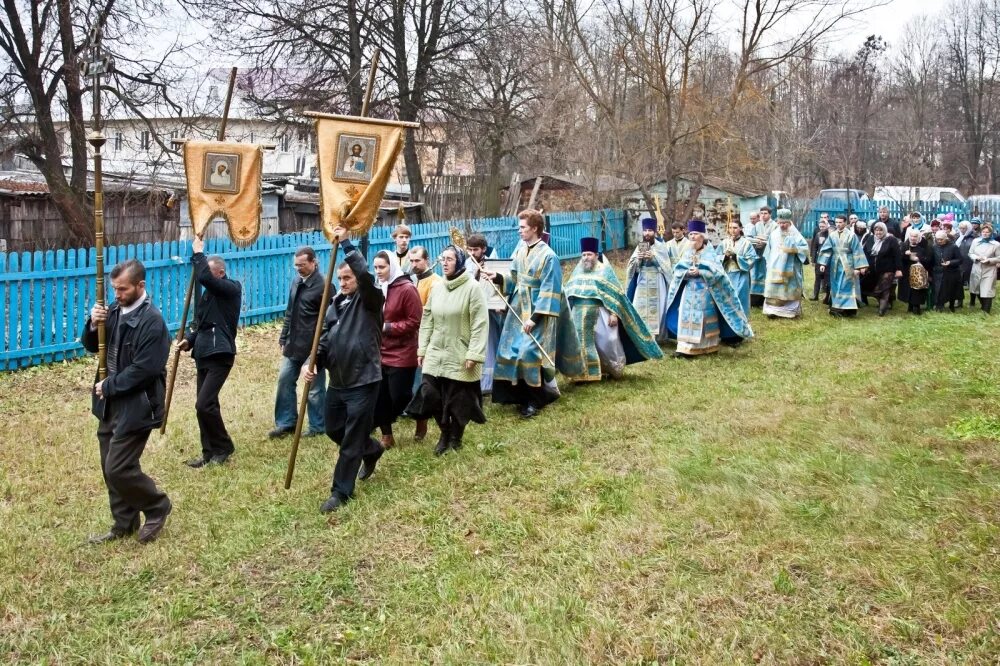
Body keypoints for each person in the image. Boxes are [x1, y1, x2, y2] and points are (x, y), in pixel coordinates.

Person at [82, 259, 172, 544]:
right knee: (108, 466)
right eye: (114, 289)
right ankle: (124, 523)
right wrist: (93, 324)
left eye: (122, 289)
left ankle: (157, 506)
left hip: (137, 405)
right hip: (109, 404)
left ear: (140, 286)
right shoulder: (113, 311)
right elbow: (91, 346)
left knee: (118, 467)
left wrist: (109, 386)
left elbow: (145, 370)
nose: (117, 294)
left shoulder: (152, 322)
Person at [303, 226, 386, 513]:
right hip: (338, 380)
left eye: (348, 278)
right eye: (340, 279)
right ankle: (371, 449)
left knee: (350, 439)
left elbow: (365, 275)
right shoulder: (335, 305)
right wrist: (313, 362)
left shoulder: (371, 300)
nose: (343, 282)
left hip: (364, 380)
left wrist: (348, 244)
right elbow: (325, 340)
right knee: (333, 428)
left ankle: (341, 492)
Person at [490, 209, 584, 418]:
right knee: (509, 351)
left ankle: (536, 400)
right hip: (518, 310)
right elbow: (514, 279)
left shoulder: (549, 256)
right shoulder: (520, 251)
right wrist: (496, 276)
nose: (519, 231)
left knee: (529, 353)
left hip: (538, 314)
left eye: (522, 227)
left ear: (534, 228)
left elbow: (551, 290)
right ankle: (517, 397)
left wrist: (534, 319)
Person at [407, 245, 488, 456]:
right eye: (443, 259)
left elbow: (480, 323)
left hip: (460, 352)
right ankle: (445, 432)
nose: (445, 263)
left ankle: (455, 438)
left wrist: (474, 353)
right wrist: (422, 349)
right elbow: (427, 320)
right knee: (429, 394)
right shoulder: (438, 288)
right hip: (436, 352)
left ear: (459, 262)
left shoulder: (472, 288)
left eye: (450, 259)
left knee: (458, 401)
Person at [179, 237, 242, 468]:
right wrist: (188, 340)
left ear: (221, 273)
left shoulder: (232, 288)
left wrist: (198, 253)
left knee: (203, 405)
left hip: (221, 353)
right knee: (205, 405)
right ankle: (208, 452)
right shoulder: (207, 296)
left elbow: (204, 276)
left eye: (209, 271)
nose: (203, 276)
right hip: (203, 352)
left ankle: (224, 447)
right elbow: (200, 323)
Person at [567, 237, 662, 380]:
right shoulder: (577, 271)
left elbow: (616, 294)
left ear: (596, 255)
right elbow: (569, 293)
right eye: (584, 254)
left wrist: (613, 314)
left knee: (607, 343)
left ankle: (606, 370)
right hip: (578, 314)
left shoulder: (604, 271)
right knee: (578, 344)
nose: (586, 257)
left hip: (599, 313)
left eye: (589, 254)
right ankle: (582, 374)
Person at [663, 218, 753, 356]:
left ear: (702, 237)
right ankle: (685, 347)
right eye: (691, 234)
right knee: (685, 316)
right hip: (689, 290)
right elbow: (678, 270)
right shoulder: (688, 252)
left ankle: (707, 346)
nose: (692, 237)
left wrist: (701, 272)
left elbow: (718, 273)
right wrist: (686, 273)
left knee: (702, 318)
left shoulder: (709, 253)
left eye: (696, 234)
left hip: (705, 290)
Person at [270, 247, 327, 439]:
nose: (298, 268)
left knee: (314, 389)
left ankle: (318, 426)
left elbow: (327, 322)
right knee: (285, 380)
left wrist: (318, 351)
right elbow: (290, 311)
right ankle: (286, 423)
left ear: (313, 262)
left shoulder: (324, 286)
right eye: (296, 265)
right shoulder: (296, 281)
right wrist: (283, 337)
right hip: (293, 343)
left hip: (313, 347)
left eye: (302, 265)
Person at [372, 250, 421, 449]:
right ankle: (387, 435)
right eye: (375, 267)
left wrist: (388, 327)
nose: (378, 271)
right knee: (380, 395)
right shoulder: (379, 288)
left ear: (391, 266)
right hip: (380, 350)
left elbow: (414, 321)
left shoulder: (407, 289)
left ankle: (421, 415)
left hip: (403, 351)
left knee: (400, 396)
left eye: (382, 267)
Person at [406, 245, 440, 440]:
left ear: (427, 260)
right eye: (411, 261)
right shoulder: (409, 281)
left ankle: (423, 420)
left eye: (417, 260)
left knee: (422, 383)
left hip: (426, 338)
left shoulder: (436, 282)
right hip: (408, 339)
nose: (414, 264)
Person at [466, 233, 503, 395]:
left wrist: (499, 304)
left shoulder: (493, 262)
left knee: (491, 344)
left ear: (484, 249)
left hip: (491, 310)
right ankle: (479, 381)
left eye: (475, 249)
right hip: (474, 309)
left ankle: (493, 381)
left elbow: (499, 285)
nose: (472, 253)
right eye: (470, 249)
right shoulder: (467, 263)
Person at [626, 216, 672, 343]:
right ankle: (641, 335)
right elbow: (633, 267)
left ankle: (656, 337)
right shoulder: (640, 246)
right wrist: (638, 259)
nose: (647, 233)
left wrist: (654, 258)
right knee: (638, 306)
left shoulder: (661, 246)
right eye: (645, 230)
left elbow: (667, 267)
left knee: (657, 308)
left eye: (650, 231)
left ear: (654, 232)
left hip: (657, 280)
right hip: (642, 280)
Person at [818, 214, 869, 317]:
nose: (838, 224)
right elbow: (826, 249)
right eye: (836, 222)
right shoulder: (832, 235)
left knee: (846, 285)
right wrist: (823, 263)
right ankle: (836, 306)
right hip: (835, 264)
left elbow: (857, 250)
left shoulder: (851, 235)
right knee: (836, 284)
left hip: (848, 263)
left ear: (845, 223)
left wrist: (858, 267)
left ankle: (847, 309)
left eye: (840, 222)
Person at [762, 208, 809, 319]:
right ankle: (772, 311)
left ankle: (789, 312)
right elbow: (768, 250)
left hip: (791, 268)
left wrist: (793, 248)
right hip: (774, 267)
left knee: (789, 289)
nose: (782, 225)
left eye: (784, 223)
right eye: (780, 223)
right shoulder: (774, 234)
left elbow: (804, 249)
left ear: (789, 222)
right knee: (773, 288)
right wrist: (768, 263)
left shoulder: (795, 234)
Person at [715, 218, 757, 317]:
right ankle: (728, 320)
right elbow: (715, 257)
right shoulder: (724, 242)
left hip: (741, 275)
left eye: (735, 228)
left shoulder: (746, 243)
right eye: (730, 228)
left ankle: (741, 319)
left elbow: (752, 259)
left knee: (740, 297)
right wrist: (725, 257)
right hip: (727, 274)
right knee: (727, 297)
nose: (732, 230)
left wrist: (735, 257)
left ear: (740, 228)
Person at [866, 222, 903, 316]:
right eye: (876, 230)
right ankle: (884, 303)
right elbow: (865, 253)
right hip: (874, 269)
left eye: (880, 230)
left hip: (888, 269)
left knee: (884, 288)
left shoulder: (891, 240)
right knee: (876, 289)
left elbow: (897, 255)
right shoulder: (870, 239)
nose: (878, 232)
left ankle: (882, 309)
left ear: (885, 230)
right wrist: (863, 266)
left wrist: (898, 269)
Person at [899, 228, 933, 315]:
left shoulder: (924, 246)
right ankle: (910, 306)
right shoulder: (905, 245)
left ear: (918, 237)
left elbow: (928, 259)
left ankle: (916, 306)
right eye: (911, 236)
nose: (913, 238)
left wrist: (918, 258)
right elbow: (899, 258)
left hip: (918, 273)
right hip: (907, 271)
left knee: (917, 290)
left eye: (915, 236)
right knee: (908, 289)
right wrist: (905, 255)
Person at [748, 206, 776, 307]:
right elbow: (750, 237)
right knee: (755, 275)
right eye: (761, 213)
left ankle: (766, 299)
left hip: (768, 255)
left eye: (765, 213)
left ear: (770, 214)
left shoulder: (774, 226)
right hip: (757, 253)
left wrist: (765, 242)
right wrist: (755, 242)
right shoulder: (757, 225)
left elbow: (775, 240)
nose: (763, 215)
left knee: (766, 275)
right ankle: (755, 300)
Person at [968, 223, 1000, 313]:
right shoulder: (975, 241)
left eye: (987, 232)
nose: (985, 234)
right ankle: (983, 305)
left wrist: (989, 260)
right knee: (977, 288)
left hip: (989, 269)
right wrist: (976, 258)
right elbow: (970, 253)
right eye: (983, 232)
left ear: (991, 233)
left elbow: (999, 257)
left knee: (987, 289)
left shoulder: (996, 244)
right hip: (977, 267)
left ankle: (986, 311)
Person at [932, 230, 963, 312]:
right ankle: (939, 306)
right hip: (938, 272)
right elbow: (932, 260)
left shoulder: (953, 247)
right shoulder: (934, 247)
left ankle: (951, 306)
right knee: (938, 290)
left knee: (951, 290)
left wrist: (950, 262)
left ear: (946, 238)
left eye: (941, 239)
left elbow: (960, 260)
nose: (939, 241)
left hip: (951, 272)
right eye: (937, 239)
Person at [809, 215, 831, 301]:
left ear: (827, 226)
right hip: (819, 259)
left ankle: (827, 297)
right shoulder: (818, 235)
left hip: (828, 260)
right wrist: (813, 260)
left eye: (823, 226)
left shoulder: (831, 235)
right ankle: (815, 295)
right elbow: (815, 247)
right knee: (817, 277)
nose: (821, 228)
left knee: (827, 279)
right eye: (820, 227)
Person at [957, 221, 976, 304]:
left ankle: (972, 301)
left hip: (970, 263)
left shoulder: (974, 237)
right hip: (959, 263)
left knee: (972, 282)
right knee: (958, 283)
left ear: (968, 228)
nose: (962, 230)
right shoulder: (957, 237)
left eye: (964, 228)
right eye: (960, 228)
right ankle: (959, 302)